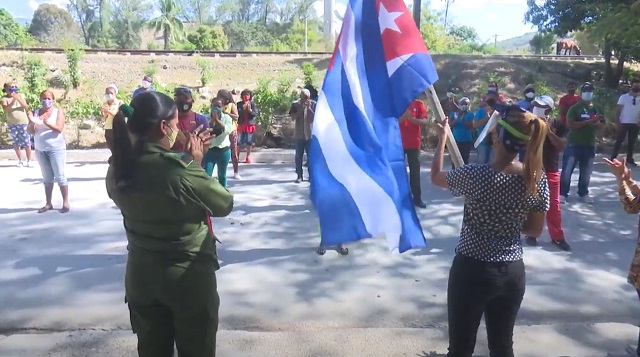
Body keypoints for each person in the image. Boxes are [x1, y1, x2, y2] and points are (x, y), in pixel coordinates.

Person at [106, 91, 234, 357]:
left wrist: (177, 158)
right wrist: (194, 164)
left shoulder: (118, 168)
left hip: (142, 277)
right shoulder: (179, 170)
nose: (179, 130)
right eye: (176, 125)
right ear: (164, 127)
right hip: (186, 280)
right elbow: (223, 204)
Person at [430, 105, 549, 357]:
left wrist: (442, 139)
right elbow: (534, 230)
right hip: (511, 273)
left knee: (460, 349)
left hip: (471, 270)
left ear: (497, 136)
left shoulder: (475, 174)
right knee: (502, 347)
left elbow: (435, 177)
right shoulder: (536, 179)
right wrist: (508, 221)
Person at [523, 96, 571, 251]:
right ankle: (531, 234)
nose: (536, 108)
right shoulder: (528, 123)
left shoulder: (558, 125)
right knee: (532, 202)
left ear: (549, 109)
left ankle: (557, 237)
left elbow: (561, 145)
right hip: (532, 169)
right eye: (535, 105)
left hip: (550, 170)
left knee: (554, 206)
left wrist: (548, 131)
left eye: (540, 106)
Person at [560, 82, 604, 204]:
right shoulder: (575, 108)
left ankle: (583, 193)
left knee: (586, 171)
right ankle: (563, 193)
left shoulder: (597, 107)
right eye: (585, 90)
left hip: (589, 144)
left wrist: (598, 124)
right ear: (581, 92)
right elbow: (571, 125)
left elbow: (602, 124)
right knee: (567, 170)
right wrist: (590, 121)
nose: (588, 93)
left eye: (590, 90)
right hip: (574, 143)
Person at [27, 89, 70, 213]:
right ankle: (48, 203)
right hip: (40, 149)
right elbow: (30, 132)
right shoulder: (36, 113)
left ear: (53, 100)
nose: (46, 101)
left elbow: (59, 128)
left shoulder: (57, 112)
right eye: (43, 98)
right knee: (47, 177)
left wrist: (46, 123)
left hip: (56, 149)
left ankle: (65, 202)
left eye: (48, 99)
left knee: (60, 176)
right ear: (40, 99)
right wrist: (32, 123)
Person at [399, 97, 429, 208]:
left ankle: (417, 198)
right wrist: (404, 117)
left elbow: (425, 121)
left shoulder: (418, 104)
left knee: (415, 173)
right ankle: (400, 199)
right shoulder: (398, 102)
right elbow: (391, 122)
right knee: (399, 172)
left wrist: (411, 119)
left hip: (414, 144)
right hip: (398, 144)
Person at [203, 98, 233, 187]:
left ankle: (223, 196)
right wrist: (212, 120)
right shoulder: (205, 118)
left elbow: (227, 130)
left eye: (219, 106)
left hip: (223, 151)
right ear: (210, 106)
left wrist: (217, 121)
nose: (216, 108)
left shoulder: (227, 118)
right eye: (214, 106)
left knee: (222, 176)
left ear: (223, 107)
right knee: (207, 175)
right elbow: (206, 131)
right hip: (210, 151)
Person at [2, 82, 33, 167]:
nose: (13, 88)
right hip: (12, 124)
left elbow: (26, 107)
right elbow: (6, 109)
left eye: (14, 87)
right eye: (10, 87)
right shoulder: (4, 98)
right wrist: (13, 101)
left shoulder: (21, 95)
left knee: (27, 142)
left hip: (23, 122)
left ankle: (29, 160)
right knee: (16, 142)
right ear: (6, 89)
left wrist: (18, 98)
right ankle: (20, 160)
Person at [611, 79, 640, 167]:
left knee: (632, 142)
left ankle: (629, 159)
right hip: (623, 122)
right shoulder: (624, 97)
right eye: (635, 85)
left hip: (635, 123)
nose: (637, 87)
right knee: (619, 140)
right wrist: (617, 122)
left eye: (638, 86)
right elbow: (618, 110)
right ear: (631, 86)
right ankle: (613, 158)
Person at [289, 88, 316, 183]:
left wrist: (308, 108)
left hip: (310, 134)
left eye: (307, 98)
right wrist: (301, 109)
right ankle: (299, 175)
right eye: (304, 98)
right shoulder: (295, 104)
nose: (306, 100)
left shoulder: (313, 104)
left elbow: (315, 118)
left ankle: (311, 176)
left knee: (311, 156)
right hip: (299, 134)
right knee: (298, 156)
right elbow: (293, 117)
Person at [173, 86, 209, 152]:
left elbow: (206, 147)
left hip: (193, 160)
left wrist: (194, 144)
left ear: (192, 101)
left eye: (185, 98)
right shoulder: (169, 119)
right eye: (179, 99)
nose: (182, 101)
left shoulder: (200, 120)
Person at [217, 89, 241, 179]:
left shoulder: (231, 105)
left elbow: (236, 117)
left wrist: (227, 113)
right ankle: (222, 172)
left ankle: (236, 172)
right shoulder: (218, 104)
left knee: (233, 152)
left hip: (231, 131)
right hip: (221, 131)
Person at [449, 97, 474, 166]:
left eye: (466, 104)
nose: (464, 105)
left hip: (466, 141)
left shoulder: (470, 114)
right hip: (455, 141)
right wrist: (455, 119)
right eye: (462, 104)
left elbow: (471, 126)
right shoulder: (453, 114)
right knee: (454, 160)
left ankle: (464, 176)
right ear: (459, 104)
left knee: (465, 160)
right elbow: (449, 125)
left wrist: (463, 120)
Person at [236, 89, 258, 163]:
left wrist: (250, 110)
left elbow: (255, 114)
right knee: (238, 141)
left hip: (249, 125)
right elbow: (237, 114)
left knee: (249, 142)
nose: (246, 96)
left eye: (247, 95)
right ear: (242, 96)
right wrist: (243, 109)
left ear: (250, 96)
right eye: (244, 95)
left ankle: (248, 157)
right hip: (241, 125)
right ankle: (237, 157)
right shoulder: (239, 104)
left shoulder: (252, 104)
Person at [101, 84, 122, 153]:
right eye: (107, 93)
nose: (109, 95)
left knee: (118, 147)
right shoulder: (105, 104)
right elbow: (103, 119)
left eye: (111, 93)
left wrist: (109, 111)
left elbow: (118, 115)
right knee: (111, 146)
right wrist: (105, 114)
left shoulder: (119, 103)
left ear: (115, 94)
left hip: (117, 128)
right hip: (108, 128)